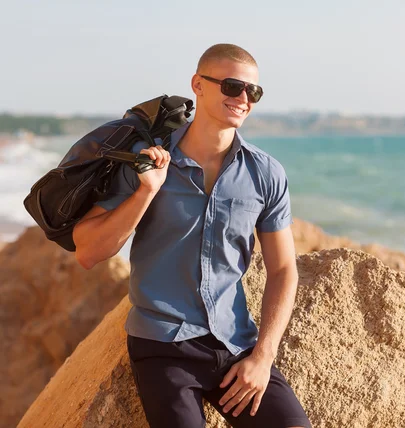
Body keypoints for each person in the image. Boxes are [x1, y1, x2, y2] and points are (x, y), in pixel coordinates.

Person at [73, 43, 311, 428]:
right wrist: (146, 190)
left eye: (253, 92)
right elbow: (88, 251)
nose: (243, 99)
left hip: (235, 344)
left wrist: (263, 357)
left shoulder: (266, 174)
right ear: (198, 85)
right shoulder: (146, 158)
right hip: (163, 344)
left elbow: (284, 270)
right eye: (233, 86)